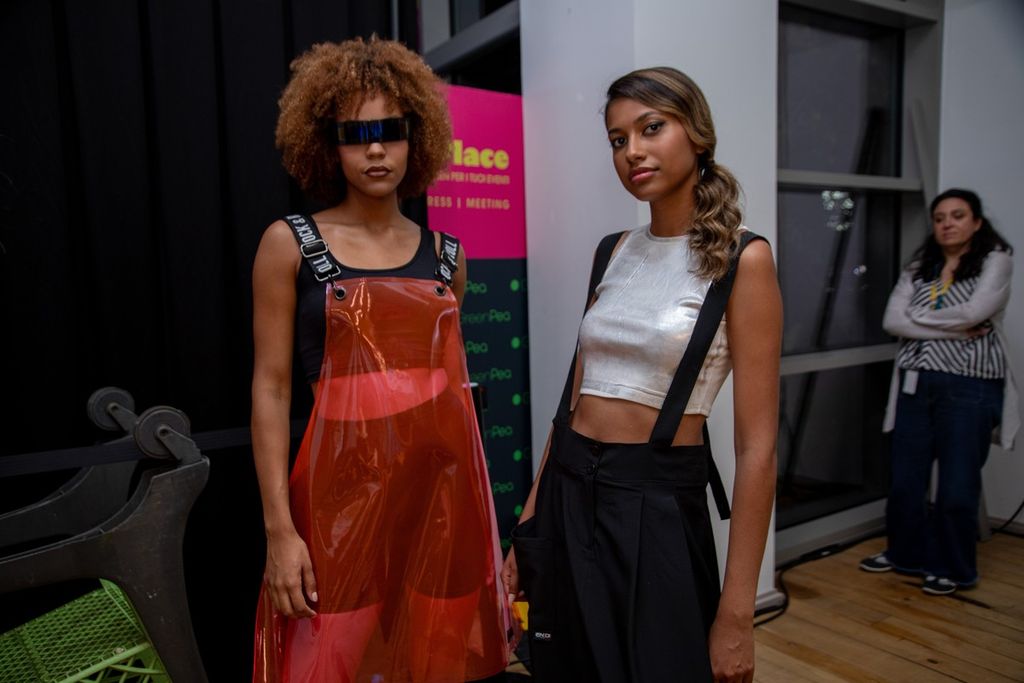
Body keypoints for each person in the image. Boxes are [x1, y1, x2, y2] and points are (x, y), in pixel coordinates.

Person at [501, 67, 781, 683]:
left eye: (651, 128)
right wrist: (529, 525)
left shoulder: (743, 259)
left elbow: (757, 450)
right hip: (569, 494)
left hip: (656, 506)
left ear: (697, 134)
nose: (632, 151)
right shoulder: (613, 250)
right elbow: (571, 404)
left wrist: (737, 615)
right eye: (617, 139)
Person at [250, 37, 511, 682]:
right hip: (338, 507)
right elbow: (271, 390)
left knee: (441, 663)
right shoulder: (290, 245)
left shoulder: (449, 256)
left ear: (415, 139)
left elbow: (452, 391)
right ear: (327, 144)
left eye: (390, 131)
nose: (375, 150)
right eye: (356, 134)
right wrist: (280, 531)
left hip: (440, 499)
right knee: (326, 664)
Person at [860, 188, 1017, 596]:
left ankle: (953, 567)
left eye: (958, 215)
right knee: (905, 480)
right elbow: (893, 321)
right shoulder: (919, 266)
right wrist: (955, 330)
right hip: (915, 384)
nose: (947, 224)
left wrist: (920, 318)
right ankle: (904, 554)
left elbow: (975, 311)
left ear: (976, 222)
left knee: (957, 485)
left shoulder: (996, 260)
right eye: (940, 217)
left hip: (970, 385)